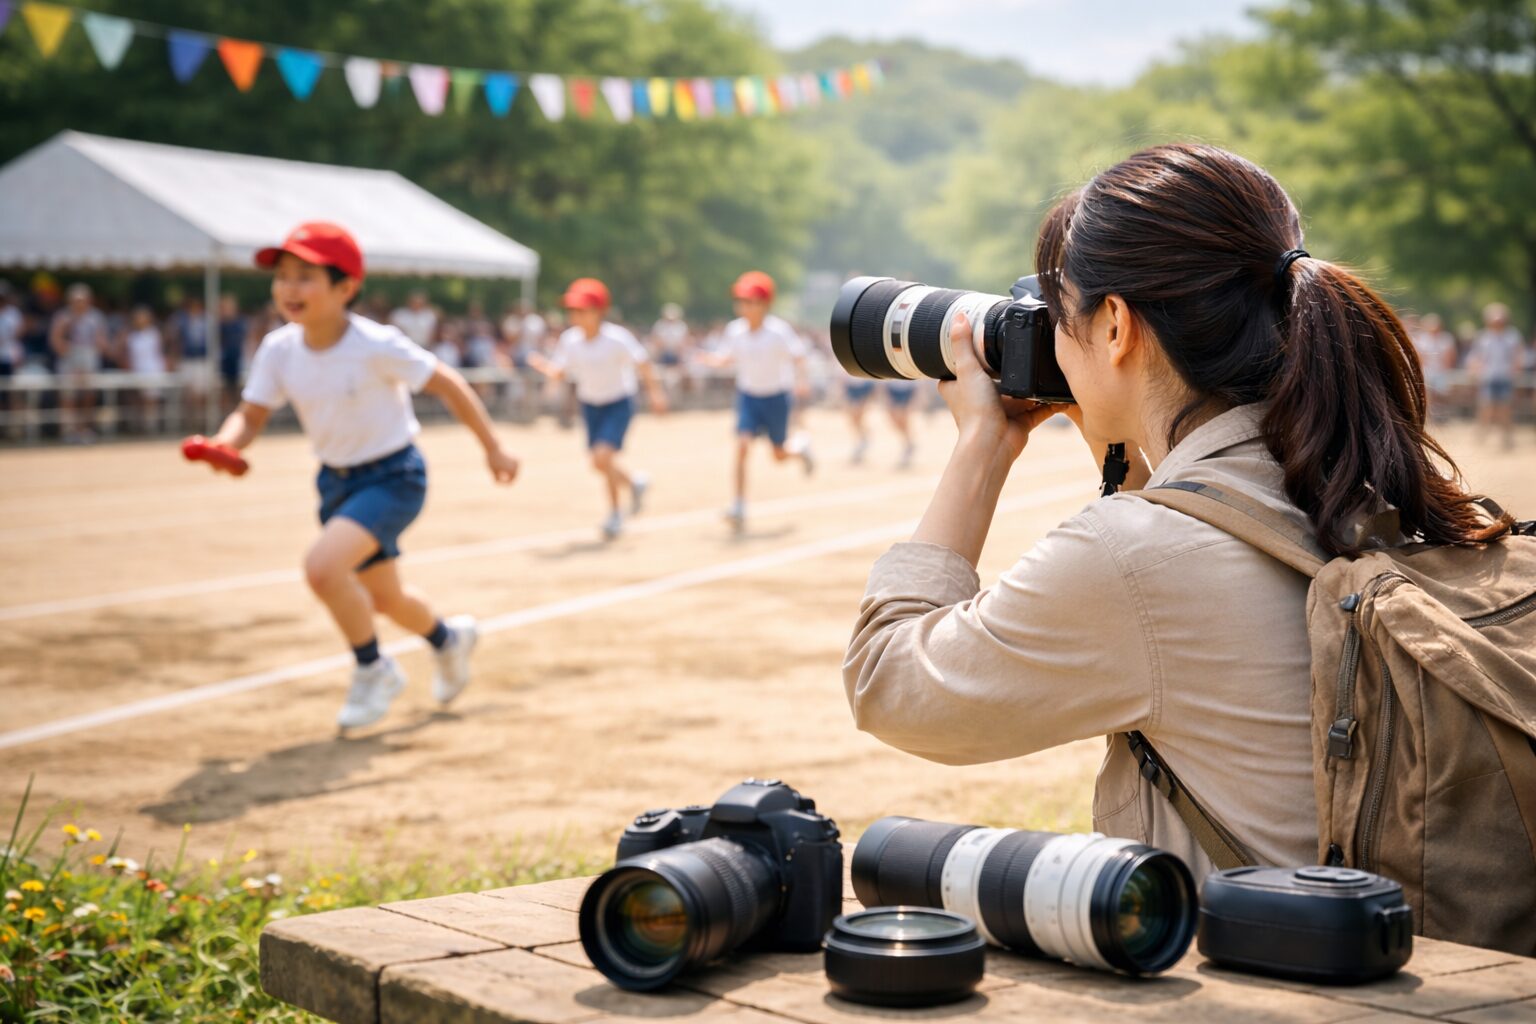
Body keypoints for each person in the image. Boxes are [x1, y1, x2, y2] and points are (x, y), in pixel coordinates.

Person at [842, 144, 1510, 877]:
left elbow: (891, 687)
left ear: (1117, 326)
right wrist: (1114, 437)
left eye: (1058, 312)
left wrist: (983, 446)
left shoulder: (1134, 557)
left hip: (1283, 979)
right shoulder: (1368, 479)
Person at [199, 222, 521, 730]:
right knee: (386, 599)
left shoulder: (376, 344)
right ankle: (448, 640)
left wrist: (494, 448)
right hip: (336, 482)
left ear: (345, 287)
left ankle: (374, 668)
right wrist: (225, 444)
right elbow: (251, 414)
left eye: (305, 277)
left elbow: (449, 384)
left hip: (394, 476)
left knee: (324, 569)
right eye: (282, 277)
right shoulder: (279, 349)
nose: (288, 289)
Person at [528, 278, 667, 539]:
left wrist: (656, 394)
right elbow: (560, 370)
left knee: (603, 458)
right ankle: (635, 484)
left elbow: (643, 364)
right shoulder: (570, 340)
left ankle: (615, 515)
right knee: (598, 464)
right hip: (590, 405)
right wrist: (545, 371)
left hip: (618, 403)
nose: (574, 316)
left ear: (598, 311)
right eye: (572, 310)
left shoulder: (616, 339)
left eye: (581, 310)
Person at [696, 271, 814, 531]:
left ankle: (799, 449)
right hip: (748, 396)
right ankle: (738, 505)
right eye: (741, 301)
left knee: (779, 455)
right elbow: (727, 357)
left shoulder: (778, 331)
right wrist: (711, 360)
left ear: (765, 304)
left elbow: (799, 357)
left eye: (750, 302)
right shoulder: (735, 330)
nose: (744, 307)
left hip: (776, 398)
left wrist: (802, 382)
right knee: (742, 445)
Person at [48, 283, 110, 443]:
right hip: (69, 358)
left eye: (83, 300)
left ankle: (86, 429)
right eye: (76, 300)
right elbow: (56, 339)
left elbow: (101, 340)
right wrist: (68, 353)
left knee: (88, 396)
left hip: (89, 358)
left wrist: (95, 350)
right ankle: (69, 429)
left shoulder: (95, 317)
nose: (80, 303)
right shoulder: (63, 317)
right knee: (68, 397)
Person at [1469, 303, 1526, 449]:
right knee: (1485, 408)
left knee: (1505, 409)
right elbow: (1475, 357)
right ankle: (1480, 438)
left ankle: (1507, 439)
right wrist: (1476, 369)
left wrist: (1516, 369)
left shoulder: (1512, 336)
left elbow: (1518, 355)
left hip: (1505, 377)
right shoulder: (1483, 337)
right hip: (1488, 377)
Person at [121, 305, 168, 433]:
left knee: (151, 399)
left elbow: (158, 353)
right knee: (138, 399)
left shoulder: (154, 333)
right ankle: (139, 424)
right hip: (136, 370)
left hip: (152, 369)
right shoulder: (130, 335)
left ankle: (151, 425)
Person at [1409, 313, 1458, 420]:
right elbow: (1419, 356)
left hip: (1441, 371)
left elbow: (1450, 356)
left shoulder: (1445, 338)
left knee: (1441, 394)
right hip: (1427, 371)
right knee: (1427, 394)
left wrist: (1446, 368)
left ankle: (1441, 415)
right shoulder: (1421, 339)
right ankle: (1428, 416)